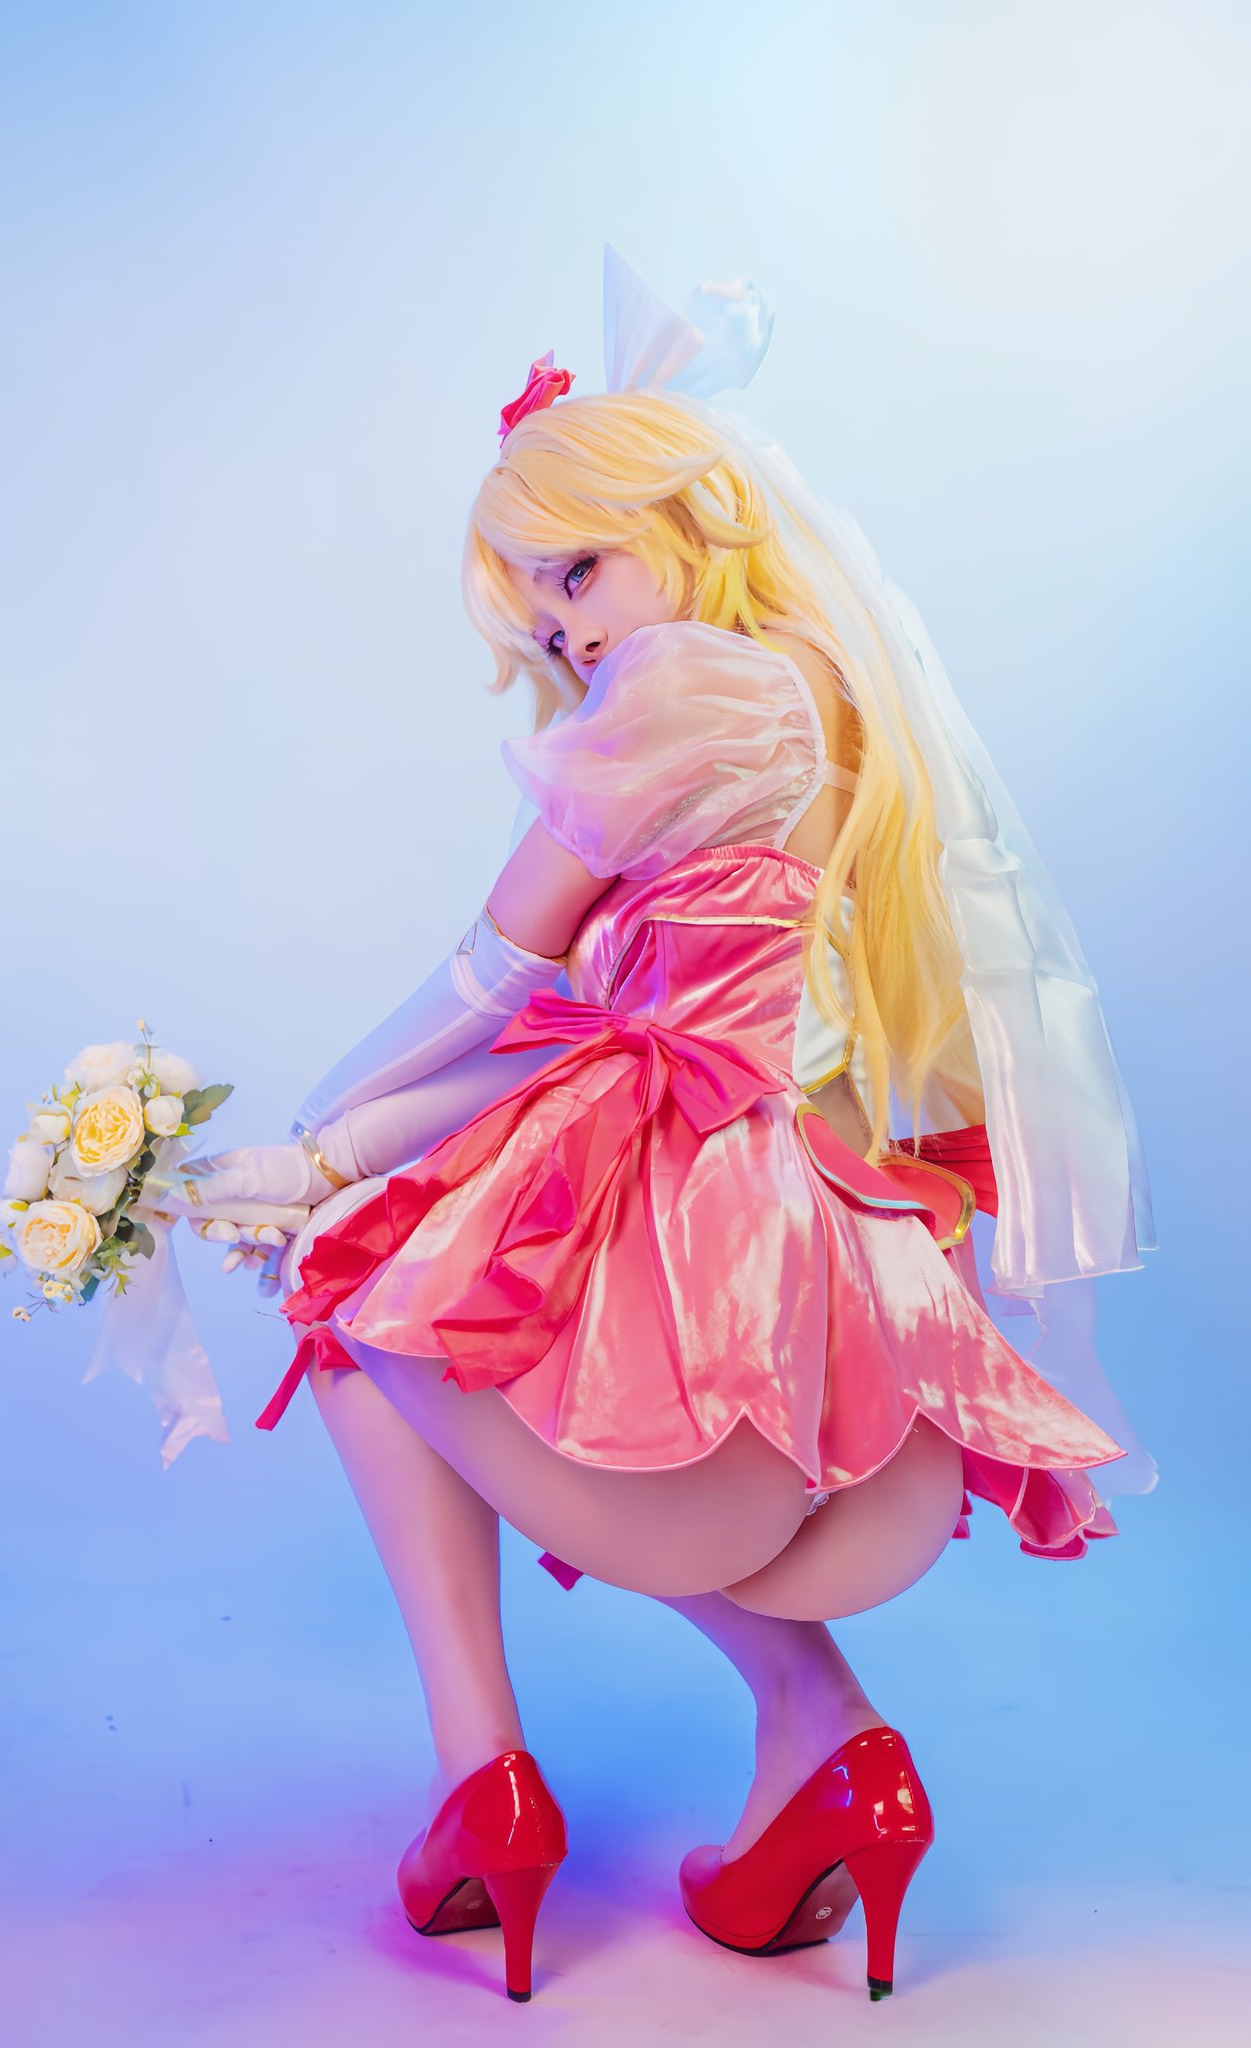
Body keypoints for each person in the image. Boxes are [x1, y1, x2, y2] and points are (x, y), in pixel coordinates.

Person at [163, 248, 1155, 2005]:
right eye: (539, 612)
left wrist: (320, 1144)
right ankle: (824, 1751)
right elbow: (605, 1034)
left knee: (343, 1300)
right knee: (431, 1294)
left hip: (713, 1261)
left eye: (579, 571)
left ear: (686, 522)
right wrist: (334, 1158)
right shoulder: (816, 694)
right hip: (832, 1301)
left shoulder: (685, 683)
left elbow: (493, 980)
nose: (569, 632)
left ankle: (485, 1783)